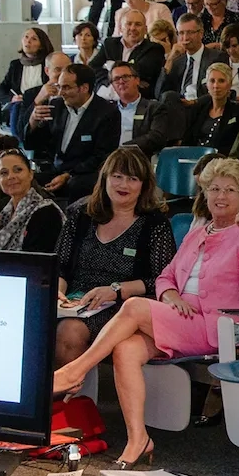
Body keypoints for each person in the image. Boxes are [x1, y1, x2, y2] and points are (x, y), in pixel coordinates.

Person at [54, 157, 239, 464]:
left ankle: (73, 371)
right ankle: (138, 439)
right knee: (126, 349)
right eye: (214, 189)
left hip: (218, 326)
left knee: (134, 306)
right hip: (182, 319)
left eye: (229, 190)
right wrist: (169, 295)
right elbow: (165, 277)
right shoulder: (197, 233)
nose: (220, 196)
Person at [53, 147, 178, 363]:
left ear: (144, 185)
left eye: (132, 179)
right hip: (74, 301)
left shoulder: (155, 225)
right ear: (105, 179)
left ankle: (66, 386)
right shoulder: (81, 215)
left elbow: (161, 280)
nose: (123, 185)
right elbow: (59, 265)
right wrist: (57, 292)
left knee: (70, 331)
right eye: (117, 176)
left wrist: (115, 290)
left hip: (123, 306)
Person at [24, 62, 118, 199]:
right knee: (24, 180)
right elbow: (32, 145)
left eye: (66, 87)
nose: (61, 93)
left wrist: (69, 174)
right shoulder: (57, 105)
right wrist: (33, 122)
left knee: (75, 185)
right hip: (55, 168)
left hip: (84, 172)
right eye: (59, 87)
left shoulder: (107, 112)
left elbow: (102, 156)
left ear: (84, 88)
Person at [184, 62, 239, 154]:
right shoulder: (197, 110)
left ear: (229, 85)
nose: (216, 86)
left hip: (223, 159)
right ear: (207, 85)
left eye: (221, 81)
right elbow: (187, 141)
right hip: (194, 158)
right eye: (212, 81)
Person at [0, 27, 53, 104]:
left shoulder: (49, 64)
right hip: (20, 107)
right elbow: (0, 91)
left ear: (41, 45)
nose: (28, 41)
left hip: (43, 106)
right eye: (26, 37)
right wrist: (12, 99)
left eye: (34, 39)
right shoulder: (15, 65)